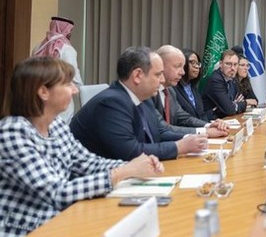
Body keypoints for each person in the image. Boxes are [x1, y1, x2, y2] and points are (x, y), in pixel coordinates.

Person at [0, 57, 164, 237]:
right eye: (67, 84)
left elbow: (88, 162)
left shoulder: (56, 125)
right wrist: (123, 172)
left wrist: (136, 166)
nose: (75, 90)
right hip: (24, 235)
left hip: (59, 221)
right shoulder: (13, 131)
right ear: (43, 91)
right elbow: (57, 192)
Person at [70, 46, 208, 161]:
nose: (161, 80)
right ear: (137, 76)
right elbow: (131, 152)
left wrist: (194, 138)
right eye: (157, 74)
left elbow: (159, 132)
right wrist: (179, 147)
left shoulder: (143, 98)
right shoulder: (111, 102)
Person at [154, 45, 229, 137]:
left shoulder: (169, 91)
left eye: (182, 67)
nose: (182, 72)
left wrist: (208, 125)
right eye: (177, 66)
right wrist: (205, 132)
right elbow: (162, 128)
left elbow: (184, 118)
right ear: (160, 66)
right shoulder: (150, 93)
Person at [31, 17, 83, 123]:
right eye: (70, 31)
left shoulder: (38, 47)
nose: (70, 34)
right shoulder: (67, 49)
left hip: (38, 98)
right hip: (59, 100)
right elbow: (74, 77)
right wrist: (84, 96)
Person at [202, 49, 247, 118]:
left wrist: (233, 105)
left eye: (235, 64)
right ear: (220, 64)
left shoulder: (232, 79)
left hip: (225, 118)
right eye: (228, 64)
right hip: (211, 120)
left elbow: (239, 100)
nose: (233, 68)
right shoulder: (215, 80)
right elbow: (230, 109)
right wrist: (243, 104)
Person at [173, 48, 210, 120]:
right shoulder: (173, 88)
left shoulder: (193, 88)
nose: (197, 67)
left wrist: (210, 125)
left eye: (198, 64)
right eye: (192, 63)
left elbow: (201, 114)